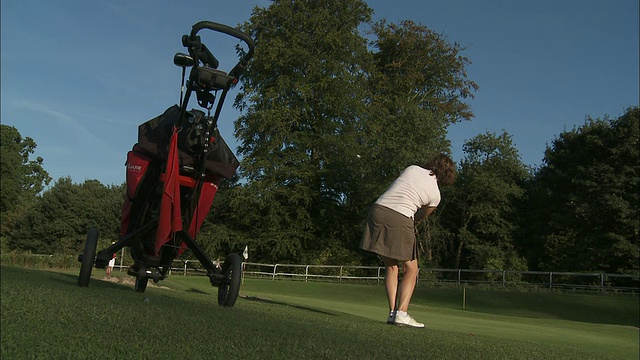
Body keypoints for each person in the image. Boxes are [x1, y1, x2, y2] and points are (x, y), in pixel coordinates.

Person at [360, 154, 456, 328]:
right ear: (447, 175)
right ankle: (402, 313)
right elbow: (420, 217)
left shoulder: (412, 168)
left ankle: (392, 313)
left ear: (432, 164)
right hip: (401, 216)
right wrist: (412, 221)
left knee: (391, 266)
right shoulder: (436, 195)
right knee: (411, 268)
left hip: (378, 210)